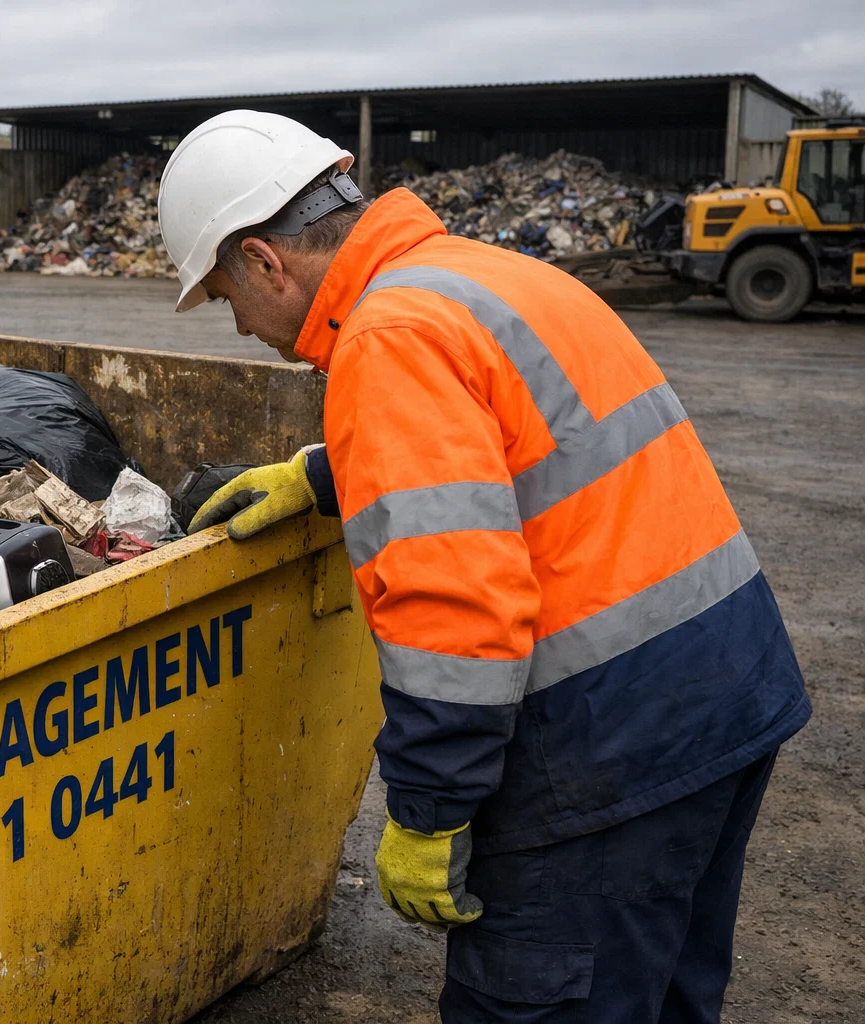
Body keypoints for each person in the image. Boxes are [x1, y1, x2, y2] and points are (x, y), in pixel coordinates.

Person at [159, 110, 810, 1022]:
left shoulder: (388, 338)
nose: (237, 328)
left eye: (227, 298)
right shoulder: (485, 274)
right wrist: (325, 474)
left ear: (267, 261)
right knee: (663, 997)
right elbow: (522, 449)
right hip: (724, 695)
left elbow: (454, 609)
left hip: (607, 751)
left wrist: (428, 811)